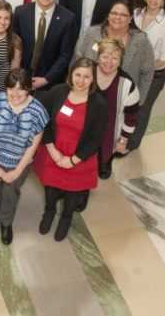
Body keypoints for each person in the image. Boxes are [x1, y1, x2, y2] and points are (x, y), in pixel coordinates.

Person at [34, 58, 107, 241]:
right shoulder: (58, 92)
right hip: (54, 152)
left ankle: (66, 218)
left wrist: (73, 160)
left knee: (73, 194)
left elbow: (96, 138)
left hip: (80, 157)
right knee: (50, 189)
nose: (81, 81)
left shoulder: (98, 103)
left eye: (86, 77)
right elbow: (45, 121)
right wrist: (52, 150)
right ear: (71, 75)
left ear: (93, 79)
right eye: (78, 75)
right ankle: (49, 212)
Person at [0, 68, 49, 244]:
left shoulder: (38, 111)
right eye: (11, 88)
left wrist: (17, 171)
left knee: (11, 193)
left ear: (29, 89)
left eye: (21, 89)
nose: (15, 94)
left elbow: (33, 145)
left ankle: (5, 223)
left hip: (19, 160)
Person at [75, 0, 155, 107]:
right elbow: (77, 60)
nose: (117, 17)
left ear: (130, 18)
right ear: (108, 15)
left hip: (122, 101)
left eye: (123, 15)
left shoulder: (140, 41)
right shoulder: (92, 34)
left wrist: (137, 100)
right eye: (114, 13)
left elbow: (148, 72)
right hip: (88, 96)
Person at [129, 0, 165, 151]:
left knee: (141, 109)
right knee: (128, 105)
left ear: (164, 2)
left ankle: (132, 144)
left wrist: (142, 68)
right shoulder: (135, 14)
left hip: (153, 75)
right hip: (131, 71)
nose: (154, 0)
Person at [12, 0, 77, 91]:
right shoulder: (21, 13)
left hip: (50, 84)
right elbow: (14, 47)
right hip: (20, 80)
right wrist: (16, 74)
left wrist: (46, 79)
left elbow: (65, 55)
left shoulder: (68, 18)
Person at [94, 39, 139, 179]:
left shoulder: (128, 84)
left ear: (120, 61)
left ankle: (105, 164)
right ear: (98, 57)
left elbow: (131, 116)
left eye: (115, 58)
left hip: (110, 130)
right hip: (86, 127)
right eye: (105, 56)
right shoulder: (87, 72)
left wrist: (124, 140)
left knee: (105, 154)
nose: (109, 62)